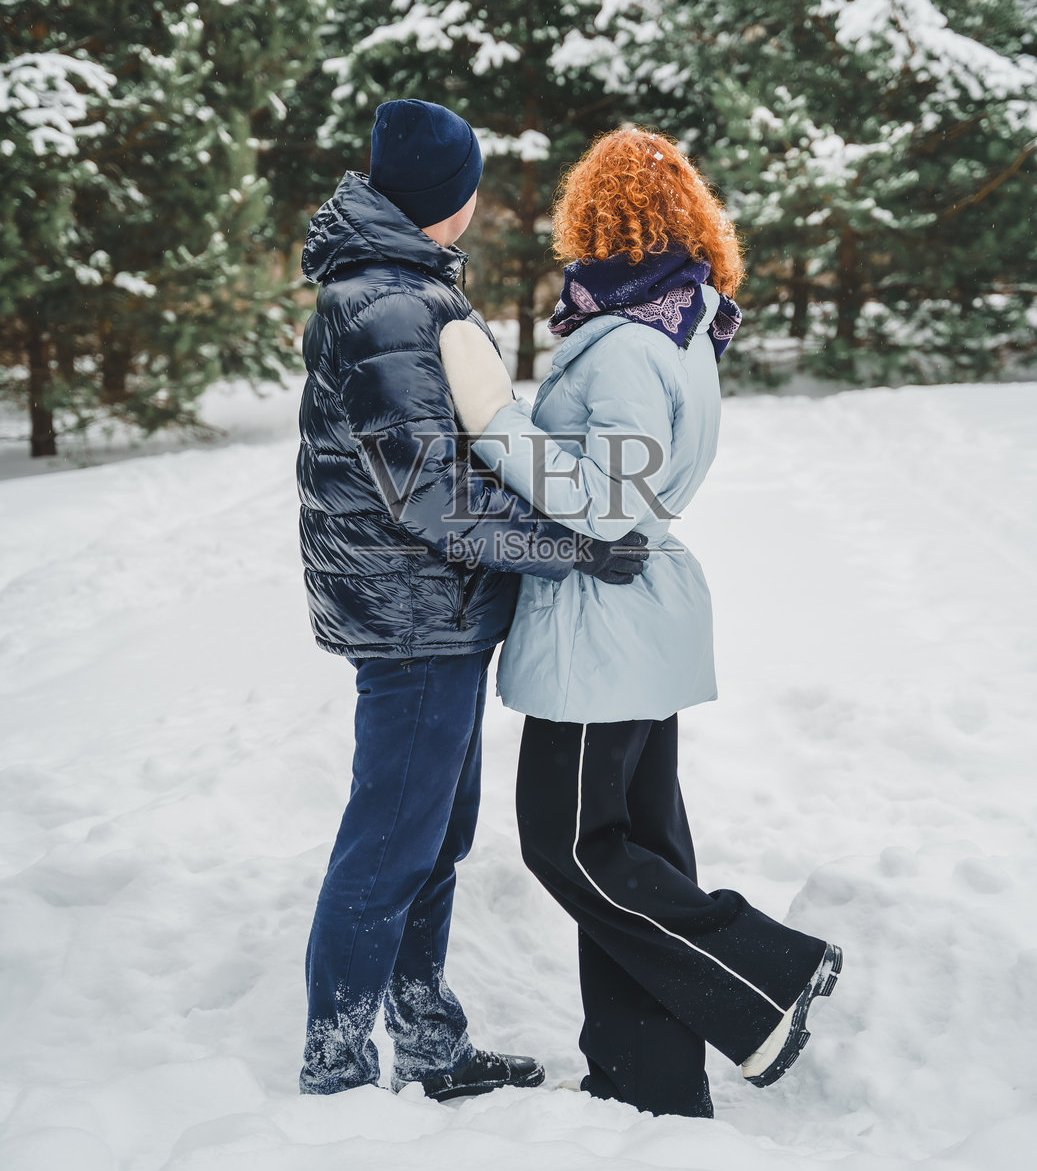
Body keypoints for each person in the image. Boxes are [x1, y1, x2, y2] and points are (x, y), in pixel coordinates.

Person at [439, 127, 842, 1119]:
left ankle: (764, 977)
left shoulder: (623, 341)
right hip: (631, 621)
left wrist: (496, 426)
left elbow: (606, 499)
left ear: (595, 216)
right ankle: (646, 1076)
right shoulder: (677, 322)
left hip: (599, 629)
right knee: (638, 850)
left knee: (570, 847)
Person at [296, 99, 647, 1100]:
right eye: (469, 188)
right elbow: (427, 490)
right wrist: (568, 546)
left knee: (431, 836)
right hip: (414, 616)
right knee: (391, 841)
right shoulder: (390, 306)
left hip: (432, 610)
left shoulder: (400, 289)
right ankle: (337, 1063)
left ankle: (426, 1040)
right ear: (444, 200)